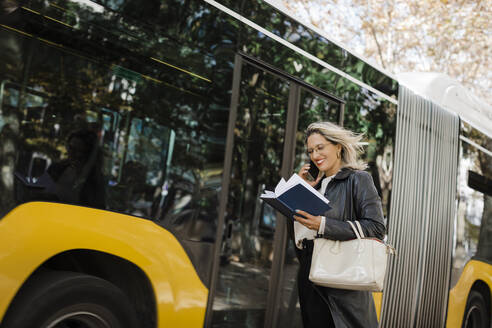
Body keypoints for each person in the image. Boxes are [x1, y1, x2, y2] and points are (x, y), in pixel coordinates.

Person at [293, 121, 385, 328]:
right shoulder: (313, 187)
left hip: (341, 278)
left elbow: (376, 228)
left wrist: (324, 225)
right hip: (310, 274)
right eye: (311, 151)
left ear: (338, 147)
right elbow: (300, 238)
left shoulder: (358, 179)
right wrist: (300, 191)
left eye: (320, 147)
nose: (315, 155)